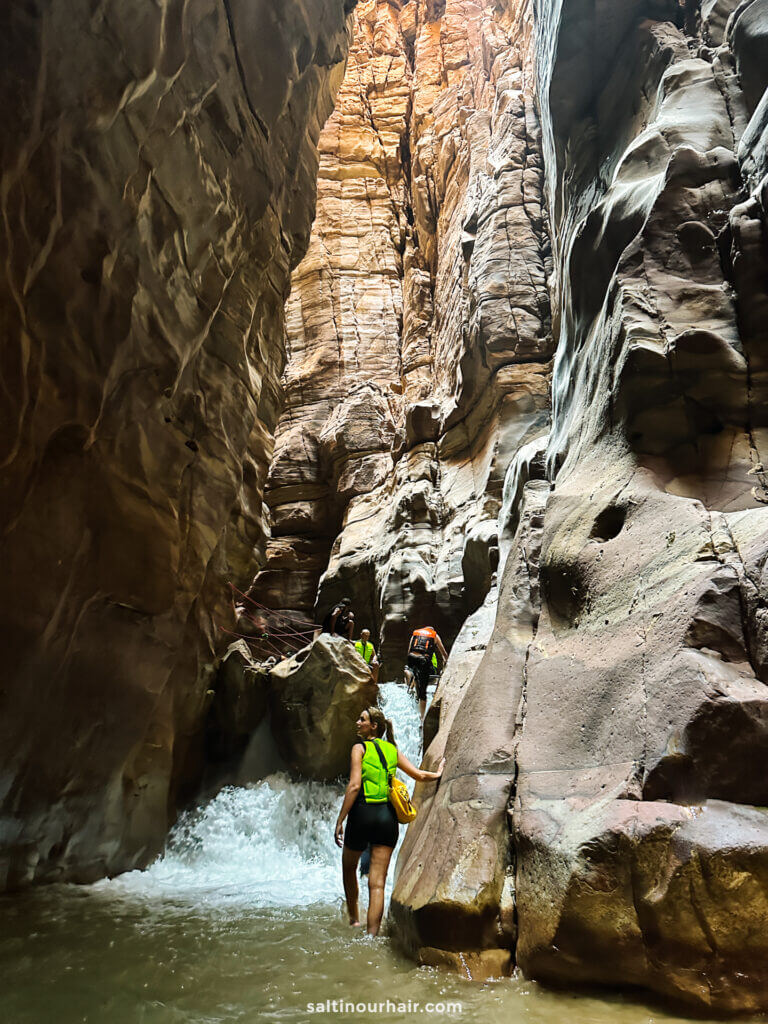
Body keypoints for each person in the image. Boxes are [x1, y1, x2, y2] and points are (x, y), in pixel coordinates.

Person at [334, 706, 445, 935]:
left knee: (349, 869)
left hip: (362, 813)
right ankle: (372, 936)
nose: (357, 722)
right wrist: (438, 773)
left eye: (362, 719)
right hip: (387, 818)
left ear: (373, 726)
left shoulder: (359, 748)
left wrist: (340, 819)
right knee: (377, 884)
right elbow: (419, 775)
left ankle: (354, 920)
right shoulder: (392, 749)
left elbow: (354, 785)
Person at [404, 626, 447, 720]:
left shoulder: (415, 634)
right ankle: (422, 718)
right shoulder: (434, 636)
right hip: (424, 662)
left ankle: (412, 685)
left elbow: (409, 651)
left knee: (412, 670)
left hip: (411, 658)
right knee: (423, 694)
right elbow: (444, 654)